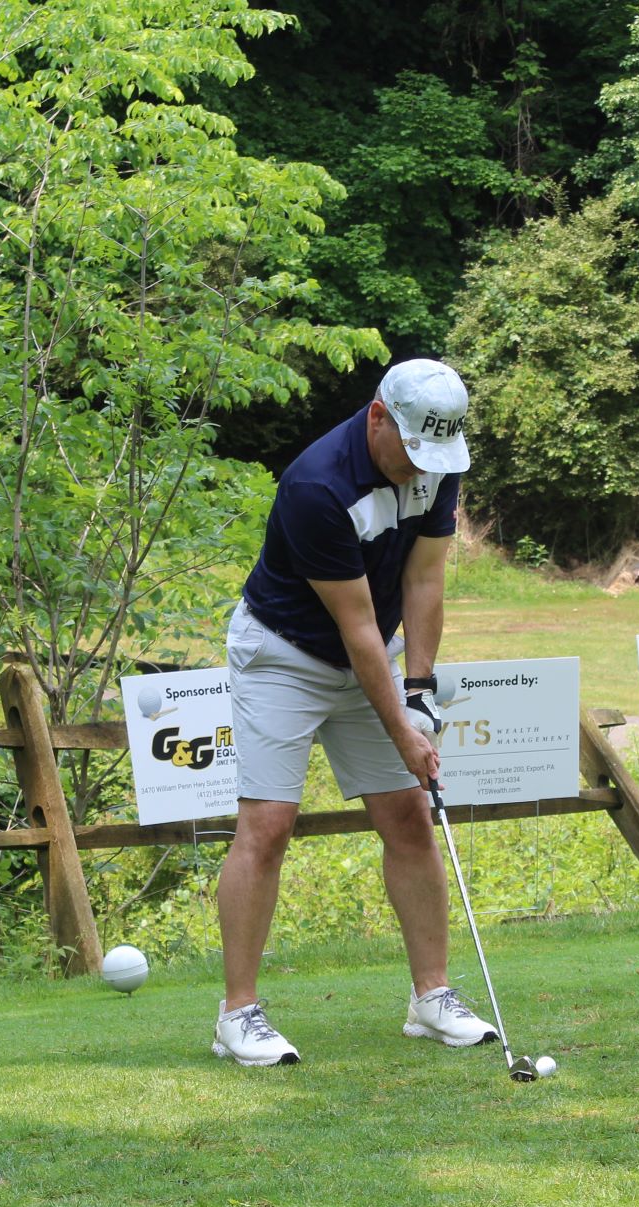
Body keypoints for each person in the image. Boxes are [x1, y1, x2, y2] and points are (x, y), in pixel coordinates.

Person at [212, 358, 499, 1066]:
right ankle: (237, 1014)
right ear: (378, 418)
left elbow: (425, 580)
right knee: (269, 823)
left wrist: (421, 692)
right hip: (284, 655)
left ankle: (431, 998)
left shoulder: (436, 460)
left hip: (367, 654)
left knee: (407, 816)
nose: (419, 468)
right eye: (410, 450)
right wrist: (400, 726)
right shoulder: (316, 485)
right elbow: (358, 626)